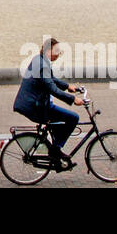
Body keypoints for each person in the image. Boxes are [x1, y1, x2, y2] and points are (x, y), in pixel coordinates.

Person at [12, 37, 85, 167]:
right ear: (47, 50)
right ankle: (55, 149)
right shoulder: (42, 66)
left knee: (60, 120)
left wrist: (67, 86)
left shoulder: (39, 60)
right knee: (73, 118)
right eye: (56, 51)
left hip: (33, 104)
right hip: (36, 108)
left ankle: (54, 147)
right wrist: (73, 99)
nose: (58, 55)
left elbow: (50, 79)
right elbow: (52, 89)